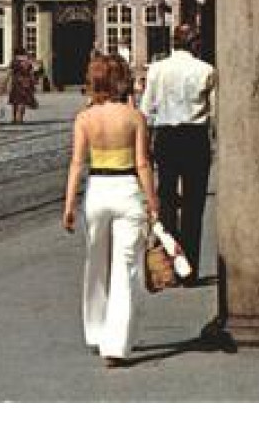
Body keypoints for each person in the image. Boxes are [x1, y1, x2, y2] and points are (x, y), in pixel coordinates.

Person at [62, 53, 160, 368]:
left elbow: (77, 163)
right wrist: (153, 201)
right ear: (122, 81)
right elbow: (143, 163)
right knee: (125, 267)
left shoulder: (84, 119)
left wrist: (68, 204)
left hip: (98, 191)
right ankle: (115, 344)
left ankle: (95, 330)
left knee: (96, 261)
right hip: (128, 190)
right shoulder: (134, 117)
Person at [139, 24, 216, 272]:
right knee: (194, 203)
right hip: (195, 138)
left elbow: (146, 110)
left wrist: (146, 144)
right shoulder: (206, 70)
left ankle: (171, 263)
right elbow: (215, 114)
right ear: (195, 43)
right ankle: (189, 267)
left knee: (167, 200)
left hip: (166, 137)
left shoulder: (156, 70)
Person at [8, 50, 39, 125]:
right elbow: (32, 72)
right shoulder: (28, 62)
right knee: (22, 101)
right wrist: (33, 82)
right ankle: (20, 118)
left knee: (15, 102)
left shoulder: (14, 61)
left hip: (16, 82)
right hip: (25, 83)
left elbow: (10, 72)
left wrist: (7, 82)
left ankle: (14, 118)